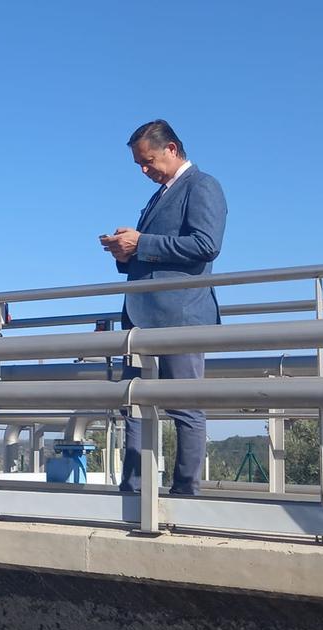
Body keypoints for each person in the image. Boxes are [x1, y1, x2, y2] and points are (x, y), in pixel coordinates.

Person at [100, 119, 227, 495]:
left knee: (184, 407)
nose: (144, 170)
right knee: (133, 404)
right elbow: (152, 251)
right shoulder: (160, 194)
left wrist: (142, 243)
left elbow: (206, 244)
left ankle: (185, 491)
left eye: (148, 160)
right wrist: (125, 250)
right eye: (139, 163)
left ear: (172, 149)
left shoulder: (202, 186)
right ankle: (133, 489)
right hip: (143, 318)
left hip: (182, 315)